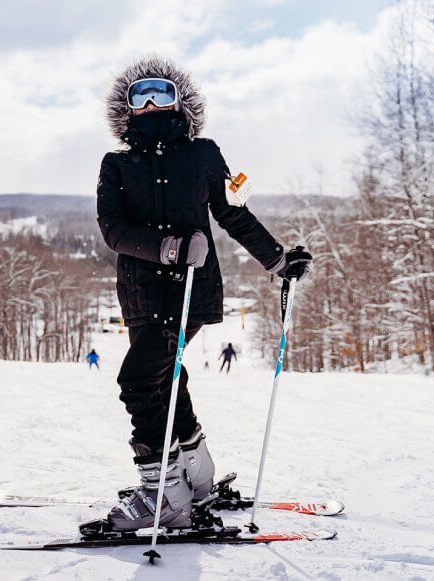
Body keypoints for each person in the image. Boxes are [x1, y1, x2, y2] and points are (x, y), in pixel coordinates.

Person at [92, 55, 312, 532]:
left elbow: (231, 213)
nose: (151, 104)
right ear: (126, 108)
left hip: (192, 292)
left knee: (139, 381)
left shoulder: (205, 154)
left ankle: (164, 495)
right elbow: (113, 230)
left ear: (181, 102)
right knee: (163, 377)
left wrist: (277, 260)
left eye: (162, 93)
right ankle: (196, 474)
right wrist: (169, 247)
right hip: (141, 293)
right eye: (140, 96)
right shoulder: (116, 164)